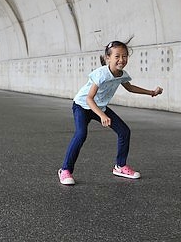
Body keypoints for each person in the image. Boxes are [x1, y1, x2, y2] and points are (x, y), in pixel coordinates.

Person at [58, 40, 163, 185]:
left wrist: (151, 92)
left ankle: (120, 166)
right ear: (108, 58)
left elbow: (130, 87)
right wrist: (102, 115)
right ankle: (65, 170)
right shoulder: (101, 74)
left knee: (124, 131)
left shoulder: (122, 74)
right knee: (81, 134)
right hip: (82, 106)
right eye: (117, 56)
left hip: (100, 107)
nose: (122, 60)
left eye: (125, 56)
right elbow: (89, 98)